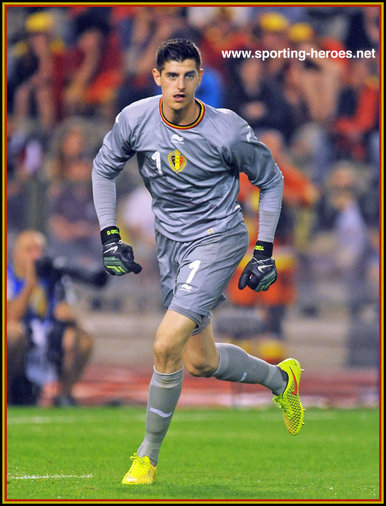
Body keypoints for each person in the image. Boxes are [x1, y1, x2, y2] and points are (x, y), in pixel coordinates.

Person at [92, 38, 304, 485]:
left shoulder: (226, 129)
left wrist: (263, 248)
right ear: (157, 78)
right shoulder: (135, 119)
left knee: (165, 343)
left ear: (200, 78)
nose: (180, 85)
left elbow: (272, 179)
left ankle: (145, 458)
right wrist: (110, 234)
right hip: (172, 248)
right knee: (200, 362)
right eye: (171, 75)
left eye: (189, 75)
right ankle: (282, 382)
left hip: (218, 239)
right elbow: (102, 168)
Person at [7, 229, 94, 406]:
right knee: (12, 333)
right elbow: (10, 317)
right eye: (29, 250)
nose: (36, 255)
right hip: (21, 342)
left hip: (48, 338)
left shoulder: (55, 276)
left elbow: (71, 310)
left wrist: (70, 315)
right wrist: (31, 282)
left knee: (83, 335)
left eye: (39, 249)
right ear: (15, 254)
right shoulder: (7, 275)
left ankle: (64, 395)